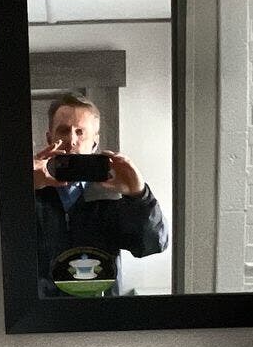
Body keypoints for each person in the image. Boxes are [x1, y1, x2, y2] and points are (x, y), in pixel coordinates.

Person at [32, 94, 167, 296]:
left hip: (102, 311)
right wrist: (21, 189)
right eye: (63, 130)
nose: (71, 140)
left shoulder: (112, 195)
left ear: (94, 142)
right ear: (49, 138)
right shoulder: (32, 192)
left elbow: (152, 244)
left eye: (80, 132)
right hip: (40, 311)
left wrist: (139, 195)